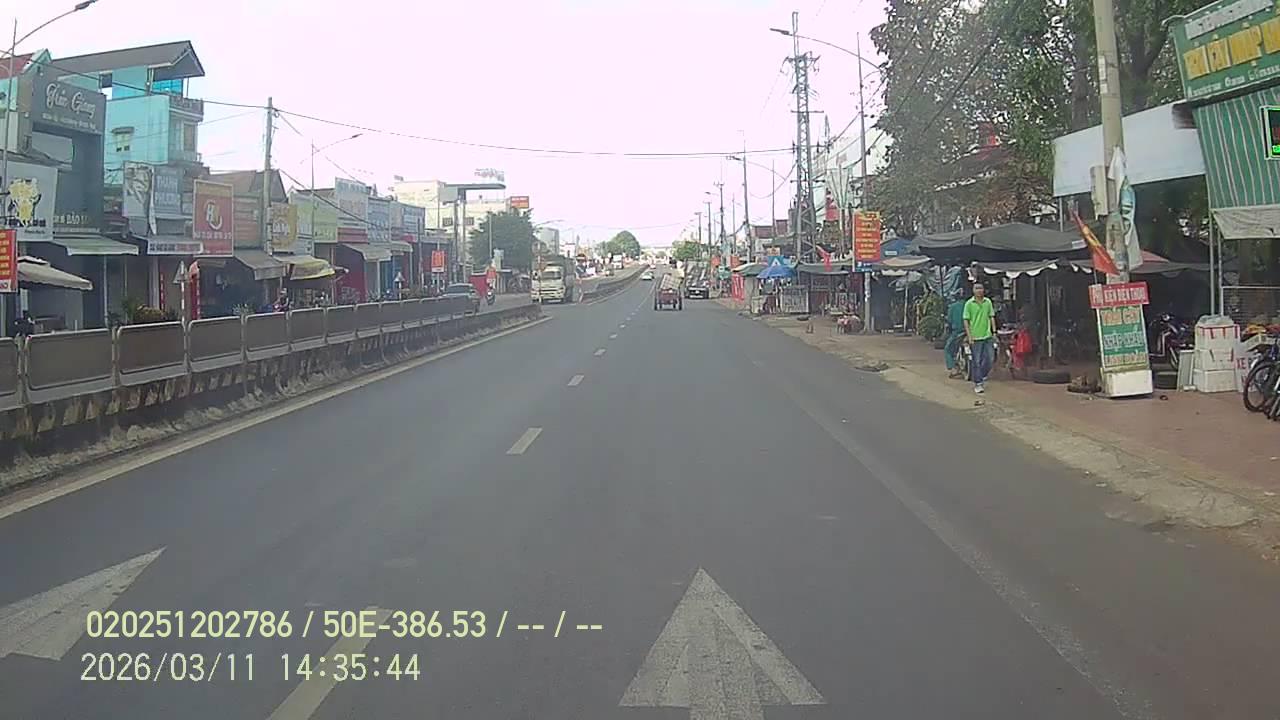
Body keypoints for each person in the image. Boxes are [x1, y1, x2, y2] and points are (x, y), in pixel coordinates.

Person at [963, 282, 997, 394]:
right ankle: (978, 383)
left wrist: (994, 332)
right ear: (973, 291)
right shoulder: (969, 304)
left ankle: (982, 375)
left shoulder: (988, 302)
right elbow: (966, 321)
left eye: (980, 288)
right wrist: (969, 336)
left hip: (987, 336)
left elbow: (991, 317)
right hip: (975, 336)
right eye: (976, 288)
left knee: (990, 359)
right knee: (976, 361)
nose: (979, 290)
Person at [944, 296, 967, 378]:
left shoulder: (953, 307)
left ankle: (953, 368)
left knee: (948, 349)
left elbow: (949, 321)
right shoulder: (971, 305)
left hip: (957, 332)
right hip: (973, 332)